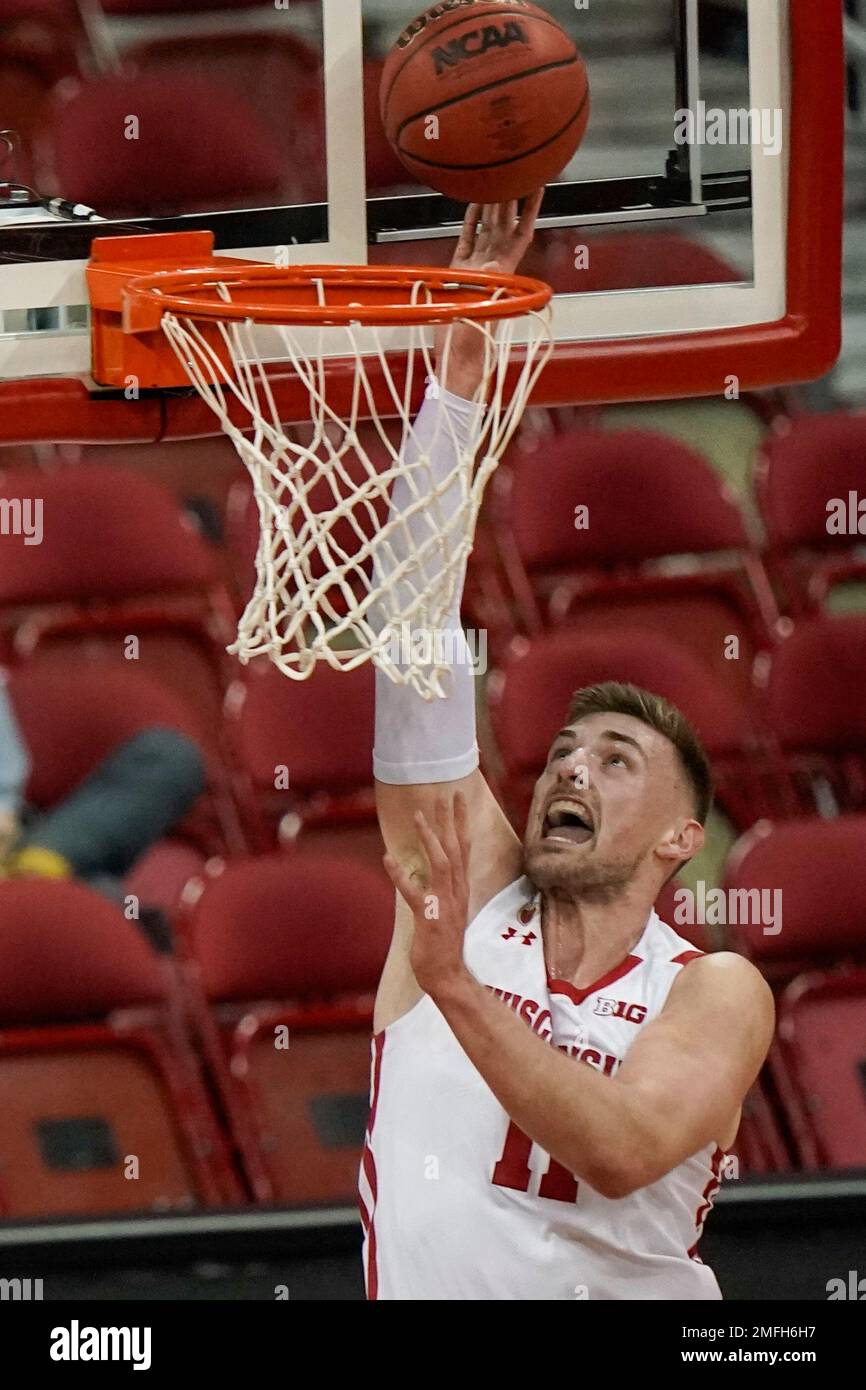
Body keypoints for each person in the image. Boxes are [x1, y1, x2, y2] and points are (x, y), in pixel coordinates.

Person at [359, 194, 775, 1301]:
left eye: (615, 759)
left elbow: (623, 1147)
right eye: (561, 752)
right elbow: (413, 660)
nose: (569, 769)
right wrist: (458, 362)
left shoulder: (714, 990)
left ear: (682, 838)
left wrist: (452, 988)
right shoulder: (462, 897)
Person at [0, 668, 204, 949]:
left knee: (170, 758)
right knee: (114, 910)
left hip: (21, 834)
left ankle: (34, 874)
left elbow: (7, 782)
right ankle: (45, 889)